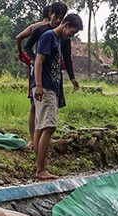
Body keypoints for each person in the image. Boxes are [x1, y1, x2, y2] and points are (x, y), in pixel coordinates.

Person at [32, 13, 83, 180]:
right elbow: (38, 61)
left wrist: (72, 78)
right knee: (49, 127)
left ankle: (39, 167)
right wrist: (39, 85)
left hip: (50, 87)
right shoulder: (49, 36)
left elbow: (63, 61)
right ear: (66, 24)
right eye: (72, 32)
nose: (71, 36)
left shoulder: (58, 40)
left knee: (41, 127)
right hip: (45, 86)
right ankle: (41, 169)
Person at [18, 2, 71, 151]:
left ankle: (41, 141)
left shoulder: (62, 35)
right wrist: (31, 59)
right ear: (49, 15)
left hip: (52, 75)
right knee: (35, 105)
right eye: (55, 17)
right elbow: (23, 42)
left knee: (49, 110)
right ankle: (34, 141)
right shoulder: (41, 30)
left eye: (61, 18)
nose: (57, 21)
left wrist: (71, 76)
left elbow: (66, 56)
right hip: (40, 74)